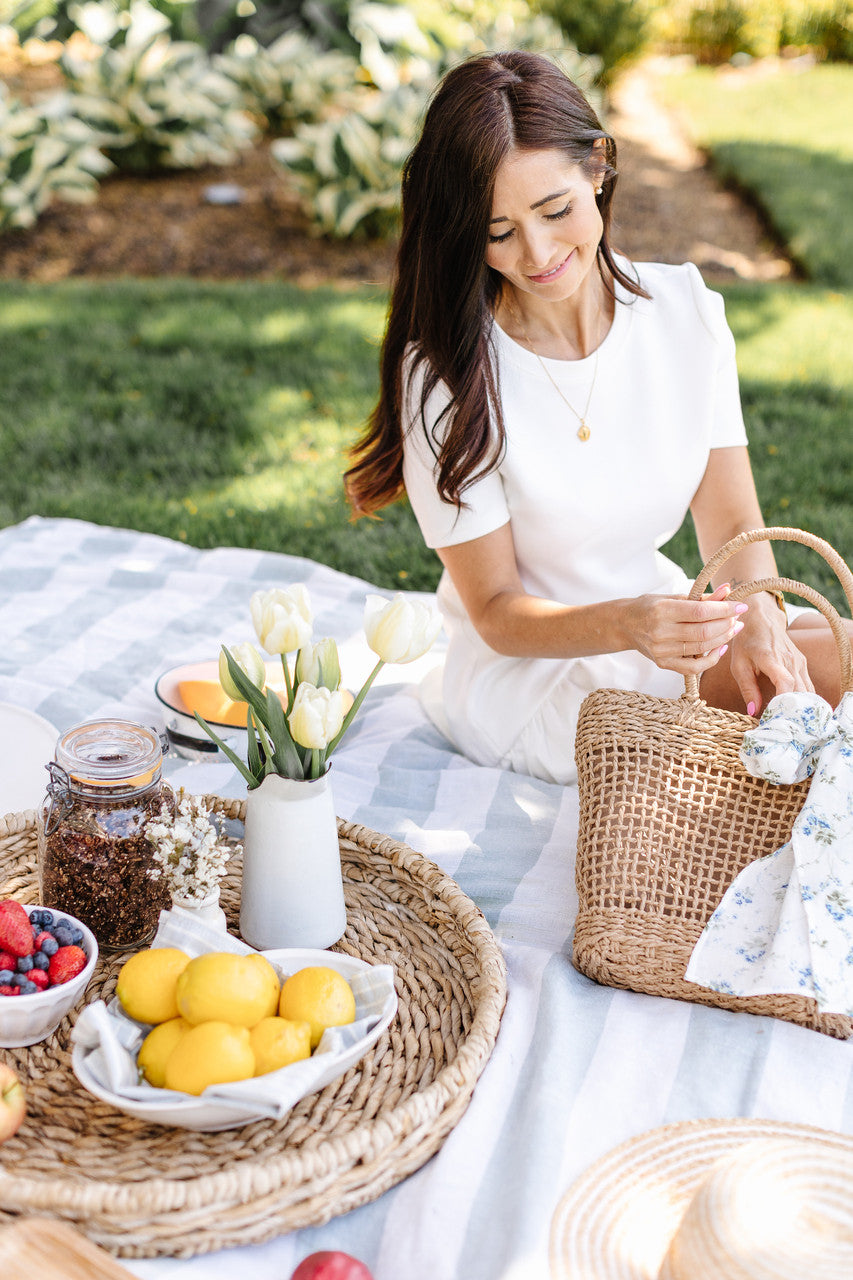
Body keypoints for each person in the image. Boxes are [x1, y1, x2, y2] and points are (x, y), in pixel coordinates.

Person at [345, 50, 852, 785]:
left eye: (555, 211)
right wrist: (631, 626)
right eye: (499, 232)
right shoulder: (446, 377)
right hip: (536, 675)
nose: (539, 252)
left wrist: (760, 612)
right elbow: (493, 611)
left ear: (597, 168)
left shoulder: (684, 312)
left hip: (668, 619)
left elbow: (732, 517)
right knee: (825, 684)